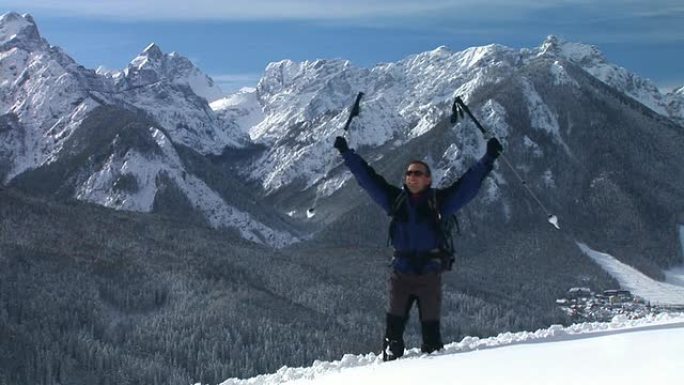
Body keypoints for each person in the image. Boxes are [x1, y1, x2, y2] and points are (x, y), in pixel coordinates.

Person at [333, 135, 502, 361]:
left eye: (418, 173)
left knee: (431, 339)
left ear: (428, 179)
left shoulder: (439, 202)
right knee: (392, 336)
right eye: (409, 173)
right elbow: (368, 178)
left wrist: (488, 158)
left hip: (428, 275)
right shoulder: (395, 200)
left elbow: (467, 186)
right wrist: (347, 154)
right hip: (401, 274)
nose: (412, 177)